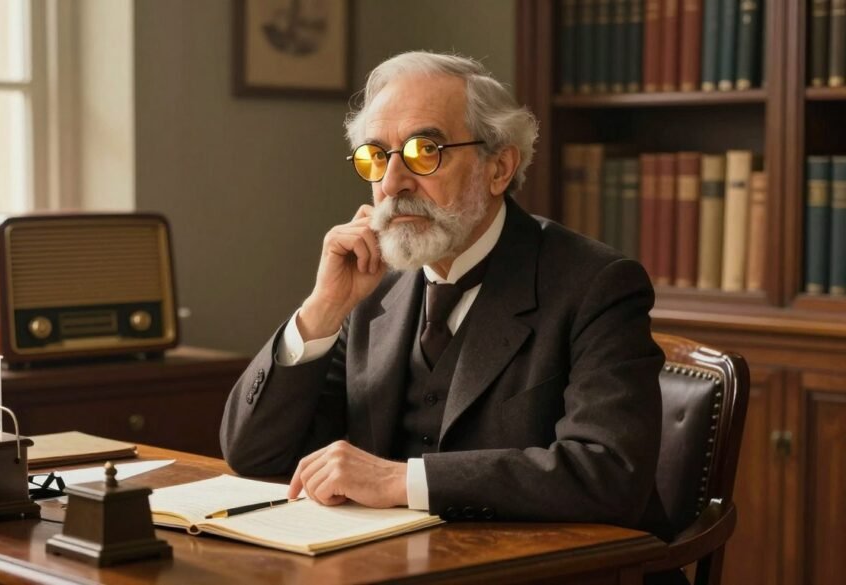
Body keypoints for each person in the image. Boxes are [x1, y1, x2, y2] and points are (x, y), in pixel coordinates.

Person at [220, 51, 672, 541]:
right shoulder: (373, 287)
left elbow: (608, 474)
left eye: (424, 152)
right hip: (396, 565)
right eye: (377, 157)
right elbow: (253, 455)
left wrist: (402, 480)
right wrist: (323, 308)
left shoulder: (598, 284)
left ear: (499, 168)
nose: (393, 183)